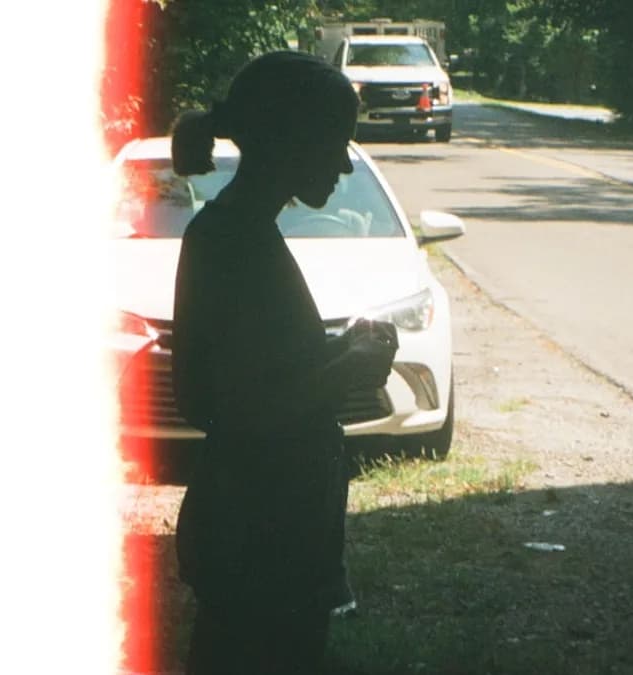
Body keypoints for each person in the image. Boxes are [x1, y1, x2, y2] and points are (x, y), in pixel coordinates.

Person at [169, 51, 399, 674]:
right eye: (336, 142)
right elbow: (227, 406)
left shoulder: (240, 234)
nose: (346, 162)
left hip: (267, 531)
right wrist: (349, 366)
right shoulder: (232, 243)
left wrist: (337, 350)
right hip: (260, 539)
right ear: (289, 139)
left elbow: (257, 377)